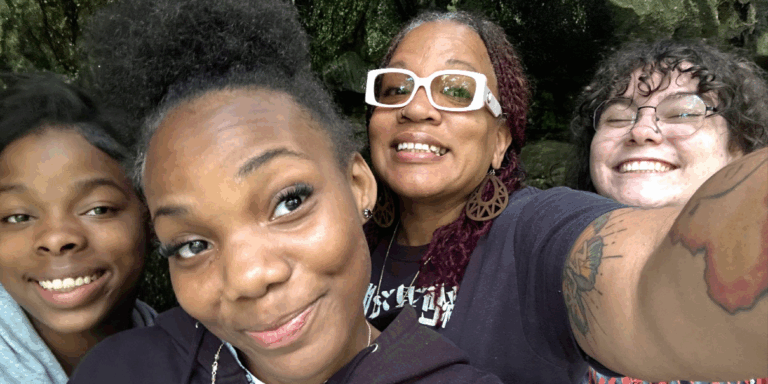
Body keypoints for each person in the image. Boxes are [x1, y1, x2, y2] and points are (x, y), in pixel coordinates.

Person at [69, 0, 504, 383]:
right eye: (192, 245)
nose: (248, 277)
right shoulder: (121, 371)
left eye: (289, 202)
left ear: (358, 186)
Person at [363, 10, 768, 383]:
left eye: (457, 90)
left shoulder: (536, 232)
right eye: (396, 88)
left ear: (500, 141)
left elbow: (648, 279)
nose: (416, 108)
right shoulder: (340, 236)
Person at [569, 40, 768, 384]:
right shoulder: (533, 269)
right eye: (617, 117)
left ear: (740, 148)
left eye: (683, 113)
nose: (640, 131)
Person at [0, 74, 156, 383]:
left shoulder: (199, 357)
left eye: (98, 209)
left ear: (151, 218)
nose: (56, 238)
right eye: (17, 217)